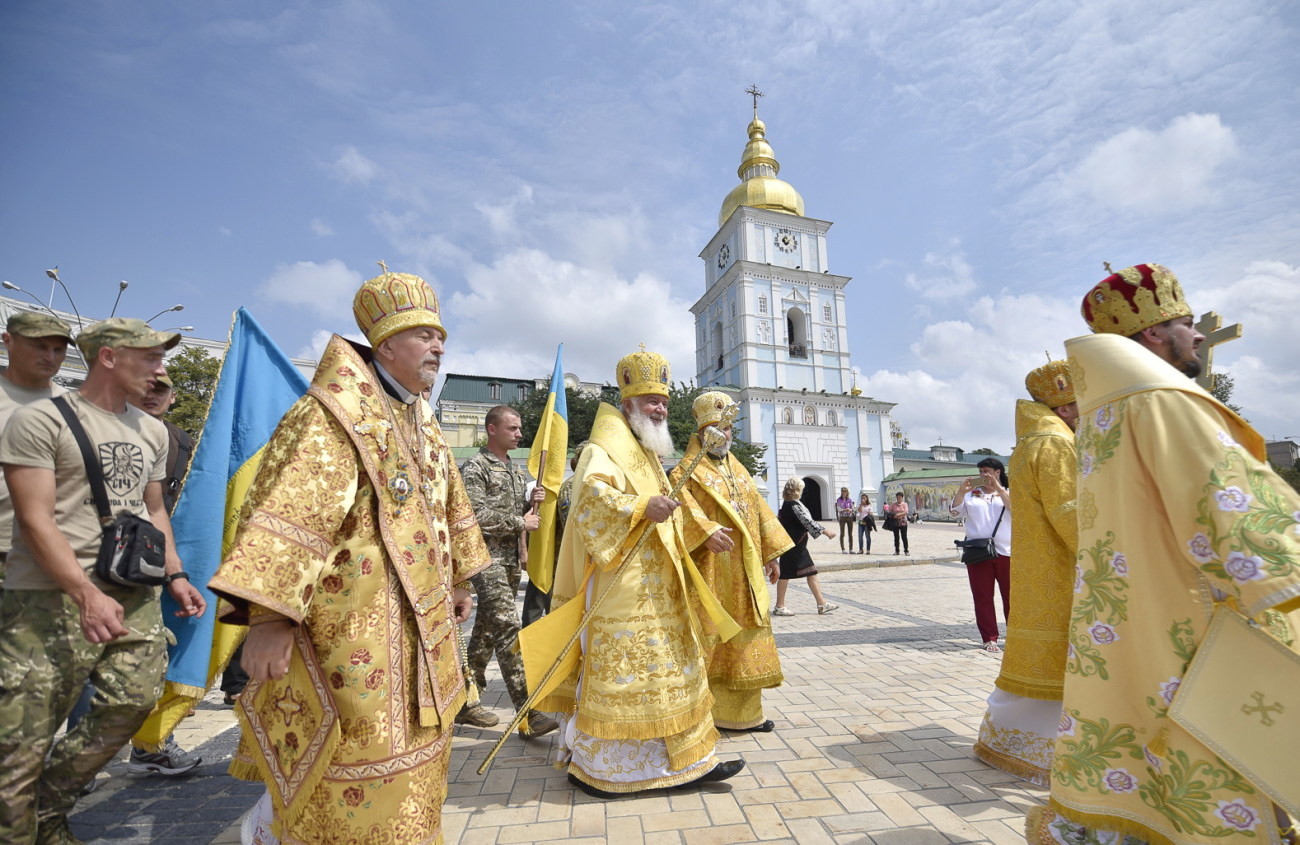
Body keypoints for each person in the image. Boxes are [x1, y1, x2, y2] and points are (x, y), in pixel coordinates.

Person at [207, 270, 491, 844]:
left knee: (422, 750)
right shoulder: (332, 414)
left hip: (424, 629)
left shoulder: (421, 420)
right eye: (424, 336)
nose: (439, 346)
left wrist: (460, 577)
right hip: (351, 632)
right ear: (384, 344)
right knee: (354, 756)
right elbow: (292, 513)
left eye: (442, 336)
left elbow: (448, 505)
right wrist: (268, 618)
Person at [1027, 263, 1300, 845]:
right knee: (1220, 758)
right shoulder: (1162, 402)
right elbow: (1232, 503)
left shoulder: (1102, 413)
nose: (1199, 333)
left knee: (1148, 759)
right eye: (1184, 322)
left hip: (1133, 619)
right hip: (1197, 623)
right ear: (1152, 334)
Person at [0, 318, 206, 843]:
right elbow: (34, 518)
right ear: (108, 357)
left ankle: (47, 805)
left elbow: (154, 510)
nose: (160, 369)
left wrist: (176, 574)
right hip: (47, 595)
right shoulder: (39, 419)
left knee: (133, 700)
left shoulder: (152, 429)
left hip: (132, 587)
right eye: (148, 358)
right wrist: (84, 592)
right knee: (24, 736)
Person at [535, 347, 745, 798]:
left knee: (672, 671)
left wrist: (703, 531)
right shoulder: (602, 449)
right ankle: (608, 770)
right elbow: (587, 501)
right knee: (631, 674)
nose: (660, 408)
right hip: (619, 587)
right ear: (627, 405)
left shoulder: (649, 453)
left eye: (663, 401)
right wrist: (636, 506)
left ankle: (691, 759)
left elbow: (672, 504)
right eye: (651, 401)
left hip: (661, 587)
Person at [973, 360, 1077, 785]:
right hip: (1061, 568)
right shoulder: (1055, 443)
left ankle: (1007, 741)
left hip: (1036, 565)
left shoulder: (1028, 443)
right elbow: (1072, 513)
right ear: (1067, 406)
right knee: (1060, 659)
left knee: (1036, 659)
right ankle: (1046, 754)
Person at [671, 391, 792, 733]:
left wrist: (771, 555)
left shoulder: (738, 469)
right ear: (700, 432)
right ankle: (705, 716)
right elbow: (681, 509)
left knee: (746, 638)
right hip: (711, 571)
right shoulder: (686, 470)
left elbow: (758, 509)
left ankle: (745, 716)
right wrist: (705, 531)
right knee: (712, 639)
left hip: (746, 570)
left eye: (727, 429)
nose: (722, 435)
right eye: (715, 427)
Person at [458, 405, 558, 738]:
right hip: (486, 562)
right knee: (510, 628)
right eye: (512, 428)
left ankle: (464, 701)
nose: (519, 434)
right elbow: (472, 513)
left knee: (486, 634)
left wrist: (532, 502)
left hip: (510, 562)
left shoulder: (514, 470)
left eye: (519, 429)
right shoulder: (475, 467)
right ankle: (529, 714)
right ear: (491, 429)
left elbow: (517, 515)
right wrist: (520, 520)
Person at [125, 373, 203, 776]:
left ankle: (149, 745)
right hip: (89, 562)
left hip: (152, 561)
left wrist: (177, 572)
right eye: (146, 385)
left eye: (162, 389)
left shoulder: (181, 442)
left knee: (151, 658)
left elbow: (162, 510)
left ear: (173, 398)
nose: (152, 394)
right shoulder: (96, 428)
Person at [0, 312, 72, 593]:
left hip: (43, 552)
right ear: (8, 341)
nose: (50, 357)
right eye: (39, 346)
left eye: (58, 349)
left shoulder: (73, 406)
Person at [951, 458, 1012, 652]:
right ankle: (990, 638)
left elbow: (1017, 509)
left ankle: (1015, 635)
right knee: (983, 596)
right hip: (978, 551)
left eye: (986, 471)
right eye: (980, 472)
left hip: (1007, 551)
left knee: (1011, 597)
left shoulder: (1009, 493)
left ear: (997, 472)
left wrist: (999, 489)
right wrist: (962, 491)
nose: (982, 475)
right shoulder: (971, 495)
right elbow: (954, 512)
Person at [773, 477, 839, 616]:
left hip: (796, 545)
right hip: (794, 546)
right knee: (786, 574)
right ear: (796, 490)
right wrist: (825, 531)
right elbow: (807, 521)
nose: (803, 491)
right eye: (801, 489)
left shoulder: (790, 503)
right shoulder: (793, 505)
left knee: (810, 572)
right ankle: (780, 606)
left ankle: (821, 604)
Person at [835, 486, 855, 552]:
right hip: (842, 517)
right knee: (842, 533)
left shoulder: (849, 500)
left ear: (847, 492)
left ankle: (851, 549)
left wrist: (851, 510)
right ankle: (843, 549)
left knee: (850, 533)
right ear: (841, 492)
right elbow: (839, 509)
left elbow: (853, 508)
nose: (844, 493)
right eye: (843, 491)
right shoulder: (839, 500)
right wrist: (845, 509)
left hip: (849, 517)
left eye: (845, 491)